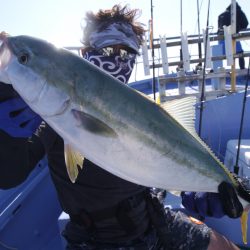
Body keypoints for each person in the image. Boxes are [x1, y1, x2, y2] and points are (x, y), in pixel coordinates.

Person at [0, 4, 244, 250]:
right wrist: (6, 135)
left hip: (154, 217)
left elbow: (166, 157)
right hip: (98, 240)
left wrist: (205, 187)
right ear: (86, 52)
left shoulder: (143, 110)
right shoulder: (49, 118)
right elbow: (10, 174)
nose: (118, 59)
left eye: (127, 53)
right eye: (107, 49)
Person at [217, 2, 248, 69]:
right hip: (231, 36)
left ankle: (216, 69)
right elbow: (245, 23)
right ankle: (242, 69)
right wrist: (239, 28)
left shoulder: (221, 15)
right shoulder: (237, 11)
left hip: (221, 38)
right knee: (240, 53)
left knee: (219, 55)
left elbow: (219, 28)